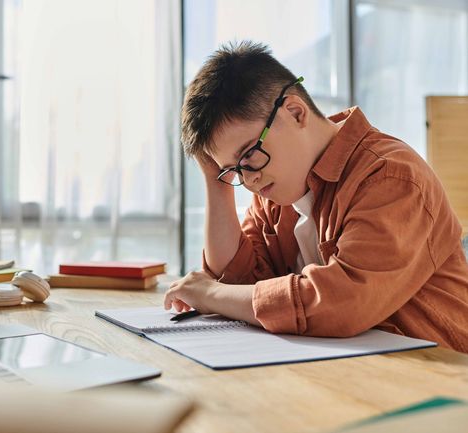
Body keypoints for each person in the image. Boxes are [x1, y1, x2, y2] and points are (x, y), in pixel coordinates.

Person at [164, 41, 468, 352]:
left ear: (295, 113)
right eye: (235, 171)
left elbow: (343, 303)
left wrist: (209, 294)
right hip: (344, 372)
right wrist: (218, 182)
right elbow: (237, 285)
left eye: (250, 155)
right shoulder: (274, 190)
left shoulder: (390, 177)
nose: (250, 179)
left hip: (434, 377)